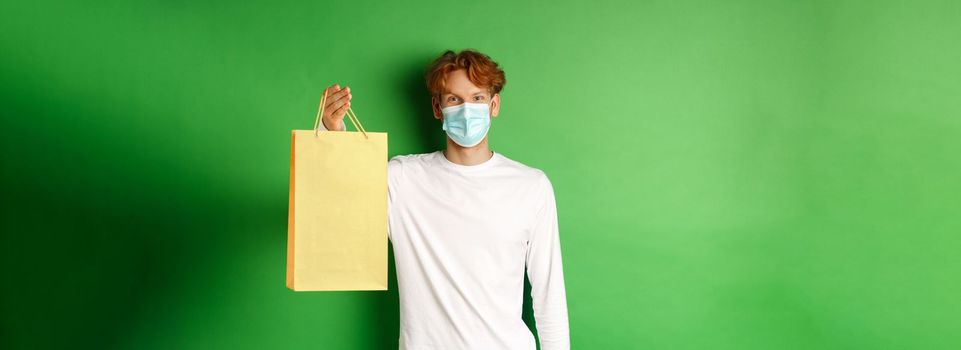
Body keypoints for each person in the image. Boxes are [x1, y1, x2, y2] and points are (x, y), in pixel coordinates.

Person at [318, 49, 570, 350]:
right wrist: (331, 133)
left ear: (494, 104)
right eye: (454, 99)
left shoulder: (531, 186)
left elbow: (548, 293)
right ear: (438, 108)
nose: (467, 109)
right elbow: (336, 207)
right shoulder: (400, 180)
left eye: (477, 98)